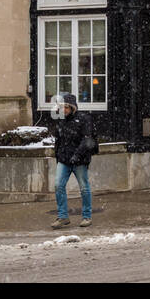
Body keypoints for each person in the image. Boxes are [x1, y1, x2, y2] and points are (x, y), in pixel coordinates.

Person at [50, 92, 96, 228]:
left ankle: (87, 216)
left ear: (73, 107)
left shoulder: (83, 119)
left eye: (67, 107)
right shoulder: (61, 120)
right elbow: (58, 139)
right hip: (64, 159)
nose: (64, 110)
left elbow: (86, 139)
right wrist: (58, 155)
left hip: (79, 160)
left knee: (84, 188)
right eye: (62, 107)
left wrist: (77, 155)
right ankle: (63, 216)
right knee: (58, 186)